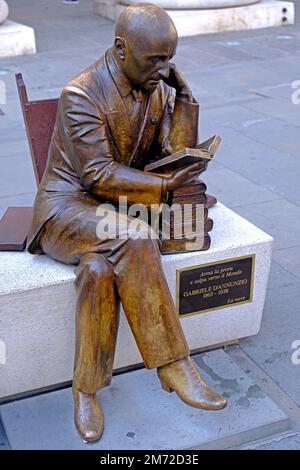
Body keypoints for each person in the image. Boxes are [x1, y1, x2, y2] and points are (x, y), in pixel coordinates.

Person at [27, 2, 227, 443]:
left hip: (112, 211)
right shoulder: (80, 94)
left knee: (97, 271)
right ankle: (174, 364)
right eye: (155, 59)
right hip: (66, 211)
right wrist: (162, 189)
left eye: (170, 58)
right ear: (120, 49)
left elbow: (164, 157)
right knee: (134, 236)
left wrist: (186, 102)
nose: (165, 67)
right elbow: (96, 174)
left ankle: (86, 390)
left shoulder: (155, 87)